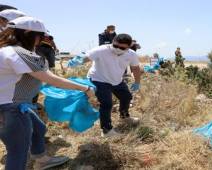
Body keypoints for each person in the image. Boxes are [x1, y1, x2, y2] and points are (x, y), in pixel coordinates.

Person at [0, 16, 94, 170]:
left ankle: (41, 159)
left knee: (39, 128)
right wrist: (85, 88)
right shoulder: (20, 53)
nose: (43, 40)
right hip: (10, 109)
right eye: (42, 36)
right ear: (29, 33)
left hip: (15, 105)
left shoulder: (5, 50)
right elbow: (50, 79)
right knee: (17, 153)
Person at [69, 34, 142, 137]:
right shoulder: (101, 50)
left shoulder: (131, 54)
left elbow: (135, 68)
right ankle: (106, 130)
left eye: (122, 48)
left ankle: (124, 117)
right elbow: (87, 57)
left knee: (126, 97)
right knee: (107, 103)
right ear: (112, 42)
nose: (117, 49)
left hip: (116, 80)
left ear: (129, 47)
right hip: (98, 79)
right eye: (115, 46)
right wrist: (79, 61)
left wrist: (137, 82)